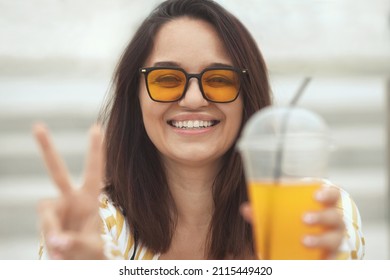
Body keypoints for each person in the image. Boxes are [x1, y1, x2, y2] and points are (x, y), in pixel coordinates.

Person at [34, 0, 365, 260]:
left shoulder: (319, 214)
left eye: (219, 80)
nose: (193, 99)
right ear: (135, 98)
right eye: (166, 79)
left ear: (247, 98)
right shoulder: (97, 224)